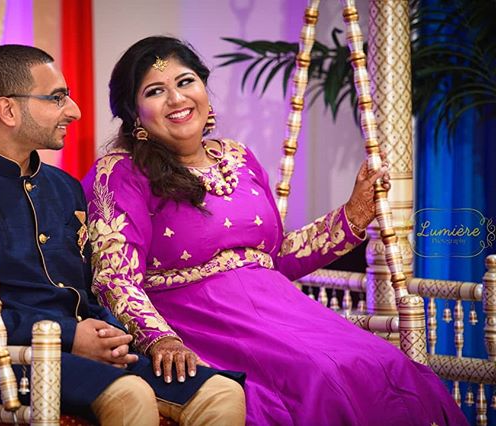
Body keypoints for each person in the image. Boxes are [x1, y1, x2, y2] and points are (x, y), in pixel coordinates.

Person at [82, 36, 468, 426]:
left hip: (281, 310)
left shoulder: (238, 156)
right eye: (155, 91)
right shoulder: (120, 172)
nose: (177, 99)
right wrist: (159, 339)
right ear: (134, 113)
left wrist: (353, 214)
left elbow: (277, 255)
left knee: (384, 363)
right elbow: (115, 277)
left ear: (204, 88)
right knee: (321, 379)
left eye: (185, 82)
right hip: (202, 322)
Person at [0, 44, 246, 426]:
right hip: (4, 361)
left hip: (84, 355)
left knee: (221, 392)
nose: (74, 111)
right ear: (8, 110)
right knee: (129, 394)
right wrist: (68, 335)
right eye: (57, 98)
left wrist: (110, 336)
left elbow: (82, 292)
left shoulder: (64, 187)